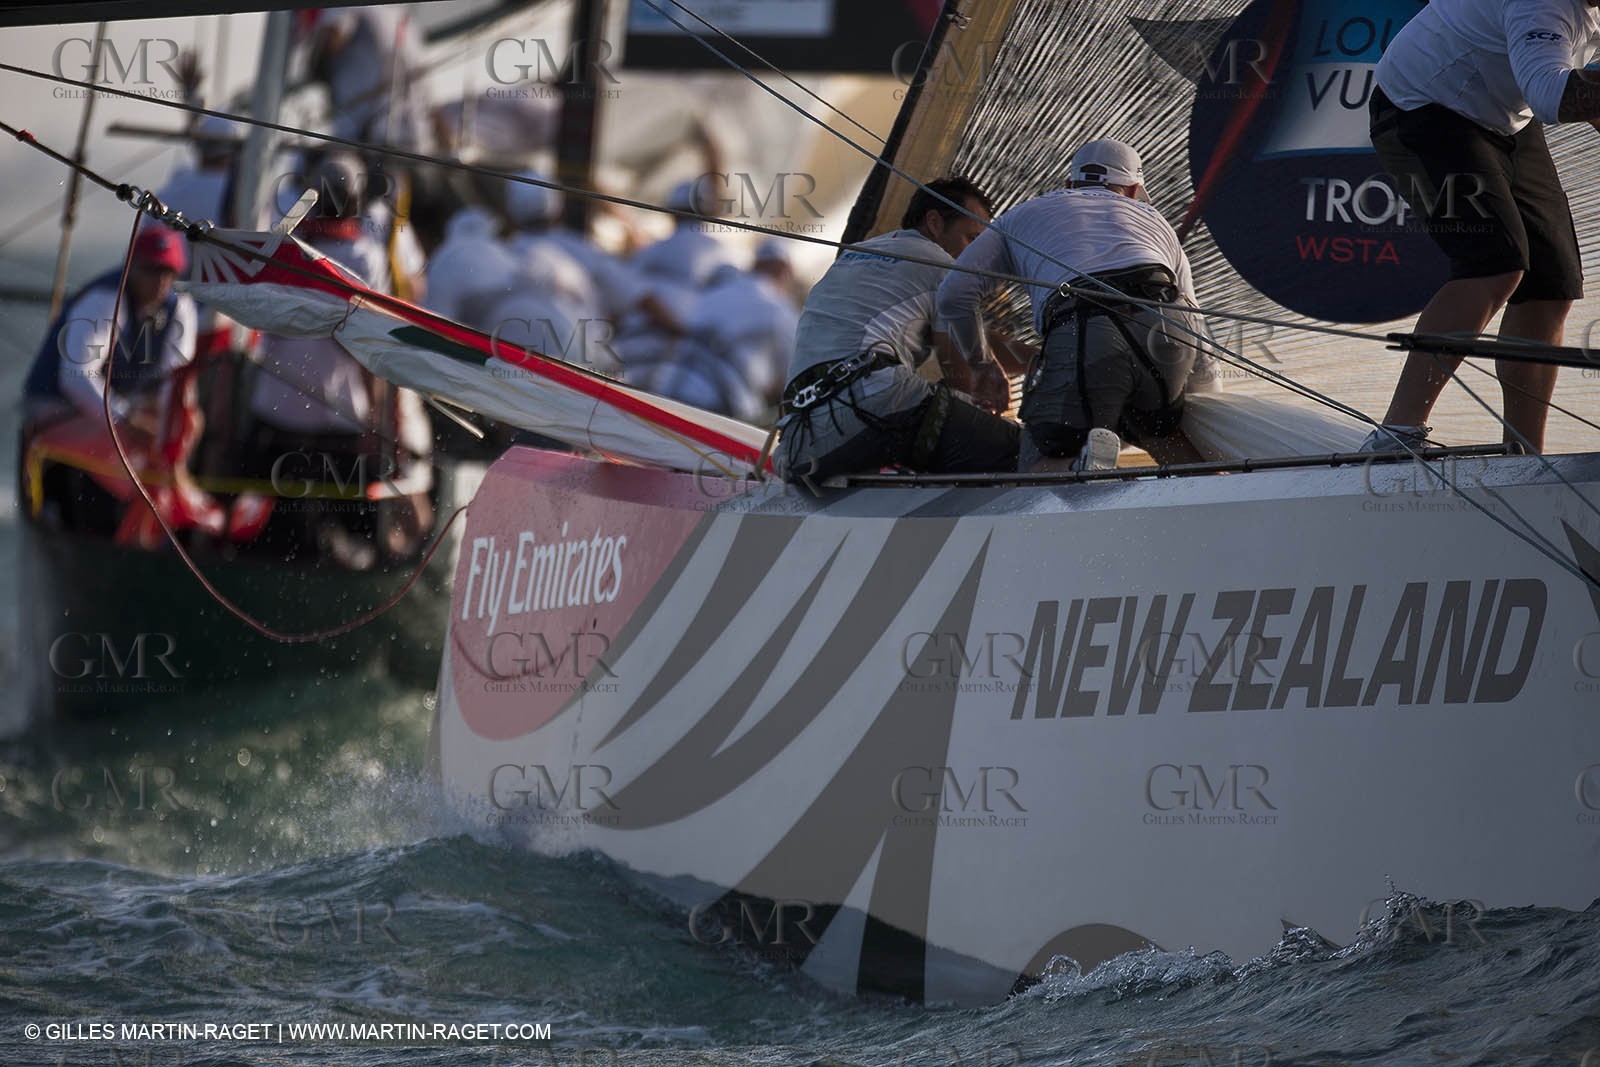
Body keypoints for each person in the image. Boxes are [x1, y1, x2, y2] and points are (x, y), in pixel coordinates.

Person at [1365, 0, 1600, 453]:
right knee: (1494, 265)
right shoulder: (1541, 4)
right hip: (1423, 108)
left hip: (1503, 118)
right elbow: (1554, 96)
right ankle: (1396, 436)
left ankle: (1525, 455)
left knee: (1552, 285)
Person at [936, 140, 1213, 472]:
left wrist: (982, 365)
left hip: (1087, 326)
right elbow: (1196, 323)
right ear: (1134, 189)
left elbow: (953, 295)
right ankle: (1223, 491)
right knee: (1161, 433)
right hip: (1169, 329)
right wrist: (1205, 405)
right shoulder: (1154, 220)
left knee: (1042, 458)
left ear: (1068, 184)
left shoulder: (1025, 213)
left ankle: (1082, 464)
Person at [776, 177, 1020, 485]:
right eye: (971, 240)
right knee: (1020, 450)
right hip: (873, 404)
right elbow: (963, 376)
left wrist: (1033, 359)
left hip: (798, 444)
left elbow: (979, 339)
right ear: (934, 222)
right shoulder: (943, 265)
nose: (975, 258)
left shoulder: (851, 256)